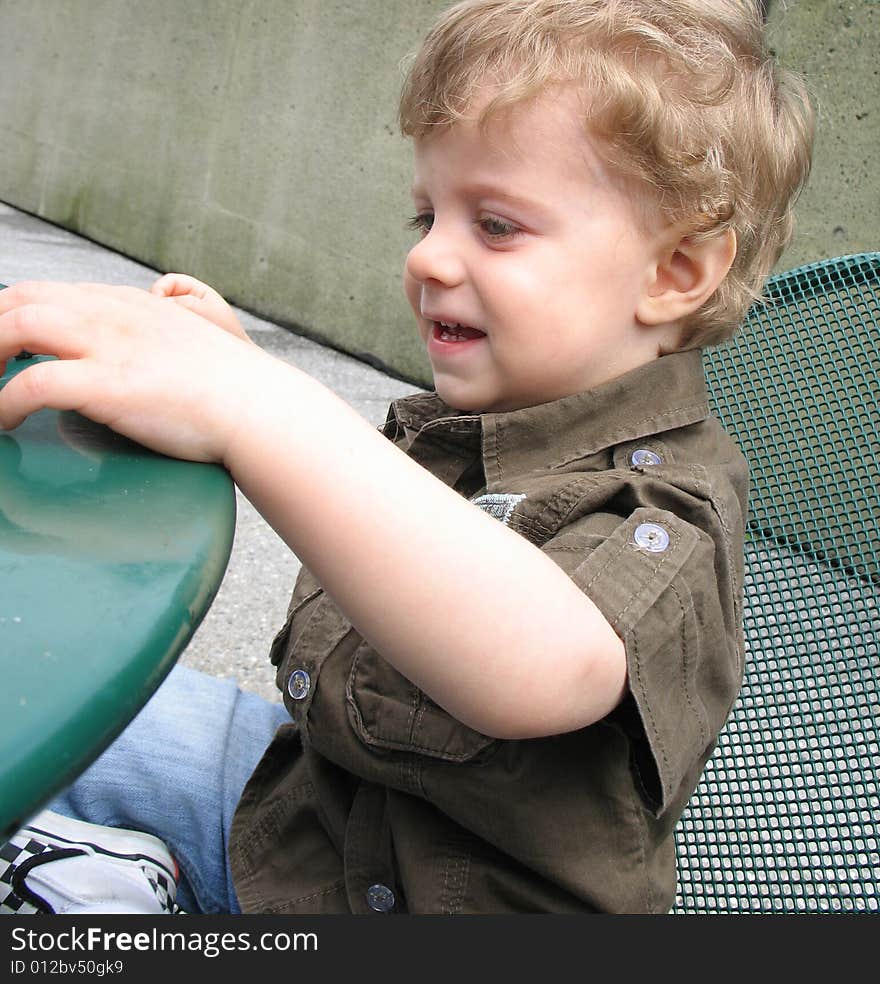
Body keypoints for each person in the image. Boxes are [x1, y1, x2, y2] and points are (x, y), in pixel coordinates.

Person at [0, 0, 813, 914]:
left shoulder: (666, 510)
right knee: (32, 690)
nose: (428, 259)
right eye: (426, 215)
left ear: (674, 274)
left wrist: (256, 407)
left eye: (496, 226)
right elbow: (365, 509)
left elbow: (545, 663)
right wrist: (235, 377)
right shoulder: (477, 420)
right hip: (310, 815)